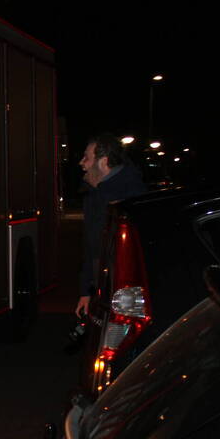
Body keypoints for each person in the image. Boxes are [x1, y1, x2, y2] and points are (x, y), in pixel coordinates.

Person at [75, 133, 146, 318]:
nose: (82, 163)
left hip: (125, 293)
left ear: (103, 162)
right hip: (103, 288)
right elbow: (91, 248)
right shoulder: (94, 195)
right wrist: (86, 291)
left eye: (87, 158)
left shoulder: (130, 195)